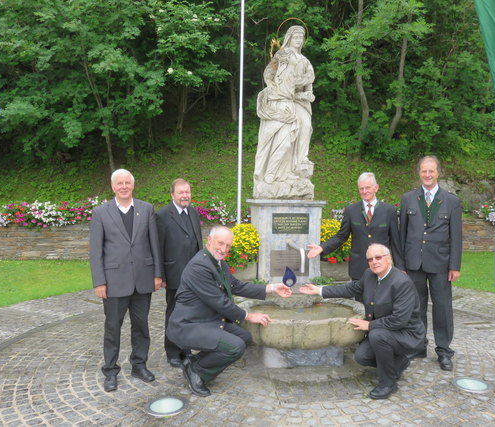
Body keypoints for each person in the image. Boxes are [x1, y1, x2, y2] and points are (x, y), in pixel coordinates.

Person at [166, 225, 292, 397]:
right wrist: (248, 316)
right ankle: (197, 372)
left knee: (245, 337)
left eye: (228, 245)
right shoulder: (199, 266)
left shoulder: (218, 263)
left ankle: (194, 361)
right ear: (209, 240)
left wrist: (271, 288)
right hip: (189, 325)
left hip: (207, 320)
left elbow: (237, 286)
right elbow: (220, 302)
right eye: (220, 243)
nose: (223, 249)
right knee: (235, 347)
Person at [299, 244, 424, 400]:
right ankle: (398, 362)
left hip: (407, 334)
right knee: (361, 356)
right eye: (370, 259)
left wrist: (369, 325)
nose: (374, 262)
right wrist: (319, 290)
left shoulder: (402, 283)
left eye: (378, 257)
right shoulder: (369, 275)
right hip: (385, 331)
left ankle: (388, 383)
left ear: (389, 259)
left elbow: (399, 320)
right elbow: (350, 289)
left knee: (377, 335)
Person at [89, 169, 163, 392]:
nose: (123, 186)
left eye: (127, 183)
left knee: (141, 326)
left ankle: (139, 365)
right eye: (119, 183)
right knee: (113, 328)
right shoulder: (101, 212)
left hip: (142, 280)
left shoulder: (146, 209)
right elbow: (96, 251)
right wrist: (99, 282)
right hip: (114, 282)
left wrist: (157, 274)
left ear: (133, 185)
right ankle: (110, 371)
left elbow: (154, 245)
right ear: (113, 187)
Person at [396, 155, 462, 371]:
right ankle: (418, 344)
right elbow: (402, 233)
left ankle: (443, 351)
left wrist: (455, 265)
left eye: (431, 171)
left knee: (442, 308)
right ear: (419, 172)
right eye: (424, 171)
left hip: (441, 264)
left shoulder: (451, 201)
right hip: (413, 262)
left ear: (438, 173)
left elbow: (456, 236)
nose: (427, 175)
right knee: (416, 307)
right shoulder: (408, 198)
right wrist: (401, 264)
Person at [307, 172, 403, 283]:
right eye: (361, 189)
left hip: (382, 268)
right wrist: (322, 247)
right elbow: (341, 236)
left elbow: (395, 242)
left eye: (367, 188)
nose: (364, 191)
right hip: (359, 269)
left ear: (376, 188)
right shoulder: (351, 210)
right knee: (359, 300)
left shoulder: (389, 210)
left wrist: (401, 268)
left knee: (383, 300)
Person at [254, 25, 315, 196]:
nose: (298, 40)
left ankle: (295, 167)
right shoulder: (282, 54)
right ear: (289, 37)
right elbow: (268, 74)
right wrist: (274, 89)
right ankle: (273, 173)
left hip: (295, 102)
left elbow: (309, 82)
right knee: (282, 140)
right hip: (281, 103)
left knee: (301, 131)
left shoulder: (304, 61)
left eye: (301, 37)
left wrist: (304, 93)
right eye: (295, 36)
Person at [156, 178, 203, 368]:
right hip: (174, 274)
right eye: (181, 192)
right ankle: (173, 352)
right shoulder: (162, 215)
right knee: (174, 314)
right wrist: (161, 276)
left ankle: (187, 349)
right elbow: (158, 247)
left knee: (191, 314)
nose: (185, 195)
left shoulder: (193, 213)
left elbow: (198, 243)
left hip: (194, 276)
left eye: (187, 192)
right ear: (172, 195)